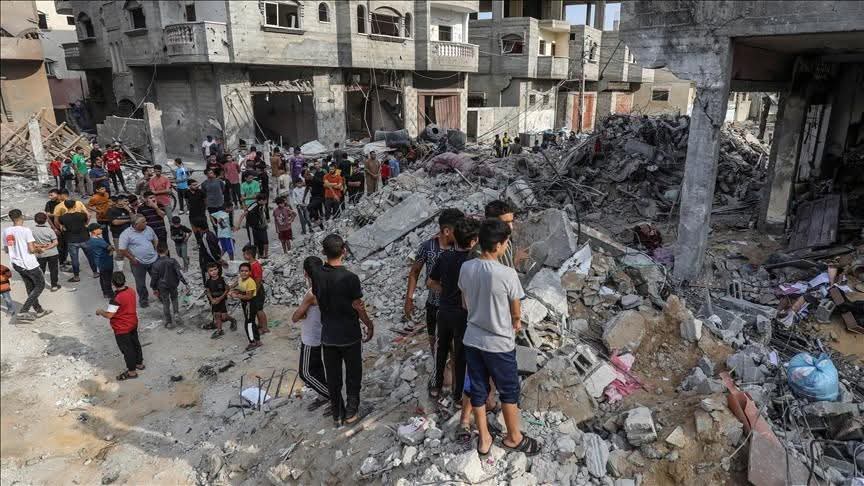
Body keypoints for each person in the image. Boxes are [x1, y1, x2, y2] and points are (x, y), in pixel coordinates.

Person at [459, 219, 540, 457]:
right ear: (497, 245)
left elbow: (465, 304)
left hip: (472, 339)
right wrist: (515, 322)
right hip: (499, 343)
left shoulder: (466, 268)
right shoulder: (507, 274)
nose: (506, 247)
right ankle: (514, 437)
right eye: (506, 243)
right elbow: (516, 312)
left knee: (478, 388)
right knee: (508, 389)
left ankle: (484, 439)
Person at [313, 234, 374, 426]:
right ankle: (351, 412)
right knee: (353, 374)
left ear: (323, 252)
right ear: (344, 251)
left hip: (328, 335)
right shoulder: (350, 278)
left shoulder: (317, 275)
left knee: (333, 377)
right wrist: (369, 324)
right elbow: (358, 306)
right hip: (349, 334)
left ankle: (337, 414)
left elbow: (318, 298)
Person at [428, 217, 479, 403]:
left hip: (444, 311)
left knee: (441, 349)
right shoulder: (473, 263)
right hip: (463, 315)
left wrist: (446, 291)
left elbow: (431, 282)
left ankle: (436, 386)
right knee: (460, 354)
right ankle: (458, 395)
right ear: (473, 241)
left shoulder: (445, 257)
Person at [404, 208, 464, 353]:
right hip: (433, 305)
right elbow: (414, 272)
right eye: (458, 230)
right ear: (447, 231)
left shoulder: (461, 248)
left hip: (454, 306)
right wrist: (409, 299)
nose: (461, 233)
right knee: (434, 343)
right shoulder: (427, 247)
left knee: (454, 345)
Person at [291, 256, 330, 409]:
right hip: (321, 333)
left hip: (310, 337)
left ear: (306, 273)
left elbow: (295, 317)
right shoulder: (327, 286)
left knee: (305, 372)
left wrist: (302, 311)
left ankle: (330, 394)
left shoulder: (312, 293)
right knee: (317, 368)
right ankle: (324, 395)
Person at [3, 209, 51, 321]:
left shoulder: (6, 231)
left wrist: (35, 246)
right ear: (22, 217)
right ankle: (24, 311)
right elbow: (31, 250)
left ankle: (39, 310)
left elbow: (7, 249)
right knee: (40, 285)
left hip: (16, 264)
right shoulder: (26, 230)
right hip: (29, 263)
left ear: (11, 218)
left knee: (30, 286)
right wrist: (40, 250)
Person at [96, 272, 143, 381]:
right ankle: (139, 363)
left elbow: (109, 315)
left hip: (122, 328)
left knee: (127, 350)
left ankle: (132, 372)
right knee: (135, 343)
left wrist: (100, 311)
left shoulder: (116, 299)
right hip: (133, 322)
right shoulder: (131, 290)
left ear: (113, 283)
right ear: (124, 280)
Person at [118, 215, 159, 308]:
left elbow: (155, 239)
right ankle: (143, 300)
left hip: (153, 260)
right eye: (143, 222)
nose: (146, 223)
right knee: (140, 283)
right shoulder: (126, 234)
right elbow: (122, 249)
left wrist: (156, 250)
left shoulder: (149, 229)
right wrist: (132, 259)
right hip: (138, 263)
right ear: (136, 224)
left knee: (157, 279)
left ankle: (160, 295)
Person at [150, 242, 188, 329]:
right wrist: (185, 283)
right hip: (173, 284)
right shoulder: (173, 261)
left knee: (165, 303)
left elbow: (154, 278)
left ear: (157, 252)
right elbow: (179, 273)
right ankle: (176, 313)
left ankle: (169, 322)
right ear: (167, 251)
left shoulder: (155, 264)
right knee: (174, 299)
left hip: (162, 286)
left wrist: (154, 288)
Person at [60, 199, 96, 282]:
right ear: (75, 206)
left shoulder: (62, 218)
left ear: (65, 206)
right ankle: (95, 272)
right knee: (90, 257)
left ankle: (76, 276)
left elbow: (63, 228)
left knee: (74, 259)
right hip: (85, 238)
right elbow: (87, 220)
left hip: (72, 240)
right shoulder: (82, 215)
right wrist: (85, 224)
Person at [230, 262, 262, 351]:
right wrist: (233, 289)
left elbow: (249, 296)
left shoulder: (250, 282)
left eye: (246, 271)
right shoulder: (241, 279)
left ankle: (252, 342)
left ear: (250, 272)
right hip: (246, 304)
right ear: (239, 272)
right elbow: (237, 285)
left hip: (250, 303)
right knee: (251, 322)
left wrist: (237, 295)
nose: (244, 273)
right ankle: (258, 340)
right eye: (242, 271)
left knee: (248, 324)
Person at [205, 262, 236, 339]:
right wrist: (212, 299)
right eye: (211, 270)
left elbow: (227, 290)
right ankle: (219, 330)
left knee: (224, 316)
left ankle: (232, 320)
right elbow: (208, 291)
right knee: (217, 315)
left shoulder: (222, 279)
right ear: (208, 272)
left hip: (222, 301)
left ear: (218, 269)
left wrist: (220, 298)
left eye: (215, 269)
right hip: (214, 302)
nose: (213, 272)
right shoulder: (208, 281)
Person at [31, 212, 61, 292]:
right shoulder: (50, 230)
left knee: (41, 270)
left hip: (40, 253)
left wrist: (41, 246)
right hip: (52, 253)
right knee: (53, 269)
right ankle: (54, 285)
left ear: (35, 220)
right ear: (46, 220)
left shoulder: (32, 230)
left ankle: (40, 285)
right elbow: (55, 242)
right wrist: (47, 247)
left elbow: (32, 243)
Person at [87, 223, 115, 298]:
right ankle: (110, 294)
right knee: (107, 279)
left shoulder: (92, 240)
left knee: (103, 278)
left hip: (100, 262)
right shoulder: (98, 241)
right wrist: (112, 249)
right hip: (105, 262)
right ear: (94, 231)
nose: (101, 229)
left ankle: (105, 292)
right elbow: (110, 248)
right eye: (99, 228)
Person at [306, 161, 326, 227]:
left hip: (320, 196)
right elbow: (307, 187)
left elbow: (322, 183)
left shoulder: (319, 175)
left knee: (310, 207)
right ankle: (321, 226)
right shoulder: (310, 178)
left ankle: (319, 220)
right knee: (314, 210)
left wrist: (314, 177)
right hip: (314, 196)